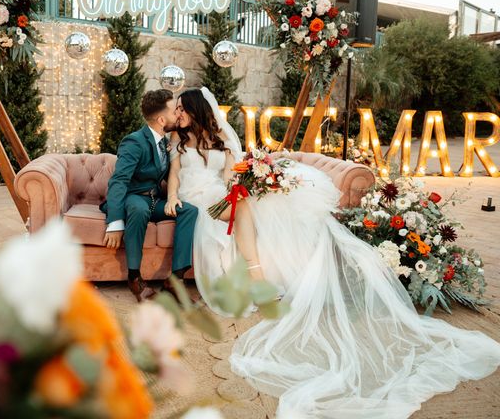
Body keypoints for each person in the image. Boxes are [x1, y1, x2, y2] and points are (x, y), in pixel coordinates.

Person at [165, 87, 500, 418]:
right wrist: (172, 198)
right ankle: (256, 276)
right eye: (176, 108)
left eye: (181, 107)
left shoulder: (220, 142)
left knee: (253, 204)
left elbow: (227, 176)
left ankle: (266, 271)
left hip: (220, 195)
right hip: (197, 201)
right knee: (246, 209)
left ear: (194, 111)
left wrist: (238, 185)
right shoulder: (178, 144)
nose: (177, 112)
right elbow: (175, 179)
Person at [100, 89, 198, 303]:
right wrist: (115, 223)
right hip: (132, 198)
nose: (179, 114)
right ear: (162, 119)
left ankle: (175, 280)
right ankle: (135, 278)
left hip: (154, 201)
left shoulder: (165, 141)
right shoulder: (134, 141)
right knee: (138, 207)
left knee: (189, 210)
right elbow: (119, 181)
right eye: (175, 111)